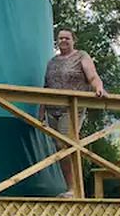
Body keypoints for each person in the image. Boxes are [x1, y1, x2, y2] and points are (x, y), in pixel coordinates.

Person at [41, 29, 106, 195]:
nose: (63, 40)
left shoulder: (81, 56)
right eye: (60, 38)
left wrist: (99, 87)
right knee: (60, 148)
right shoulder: (52, 62)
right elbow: (46, 87)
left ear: (73, 40)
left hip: (72, 108)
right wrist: (41, 110)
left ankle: (74, 189)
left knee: (66, 145)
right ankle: (70, 187)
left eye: (67, 38)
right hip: (51, 109)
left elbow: (92, 76)